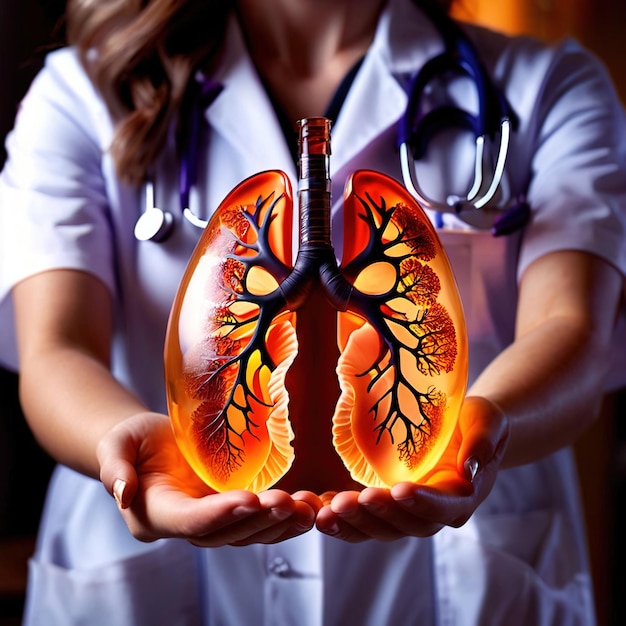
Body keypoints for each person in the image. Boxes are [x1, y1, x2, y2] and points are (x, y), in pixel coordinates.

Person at [1, 0, 625, 623]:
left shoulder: (547, 88)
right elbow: (56, 349)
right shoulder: (81, 92)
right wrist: (120, 451)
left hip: (463, 575)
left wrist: (483, 434)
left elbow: (573, 330)